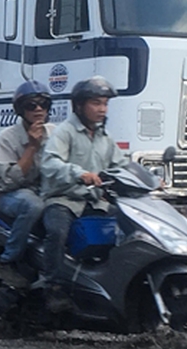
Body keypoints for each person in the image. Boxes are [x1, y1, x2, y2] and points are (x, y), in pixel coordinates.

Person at [39, 76, 126, 311]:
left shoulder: (104, 137)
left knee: (127, 230)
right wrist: (79, 173)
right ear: (79, 105)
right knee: (57, 232)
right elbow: (49, 163)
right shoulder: (64, 132)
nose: (102, 109)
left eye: (105, 104)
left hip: (94, 202)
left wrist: (151, 179)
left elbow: (122, 165)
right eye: (96, 103)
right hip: (63, 200)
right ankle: (53, 287)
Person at [0, 80, 54, 289]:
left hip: (43, 191)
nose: (38, 110)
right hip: (8, 194)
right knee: (33, 206)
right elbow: (10, 179)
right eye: (31, 105)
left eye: (43, 104)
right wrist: (32, 147)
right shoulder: (6, 138)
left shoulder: (55, 133)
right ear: (20, 109)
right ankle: (9, 260)